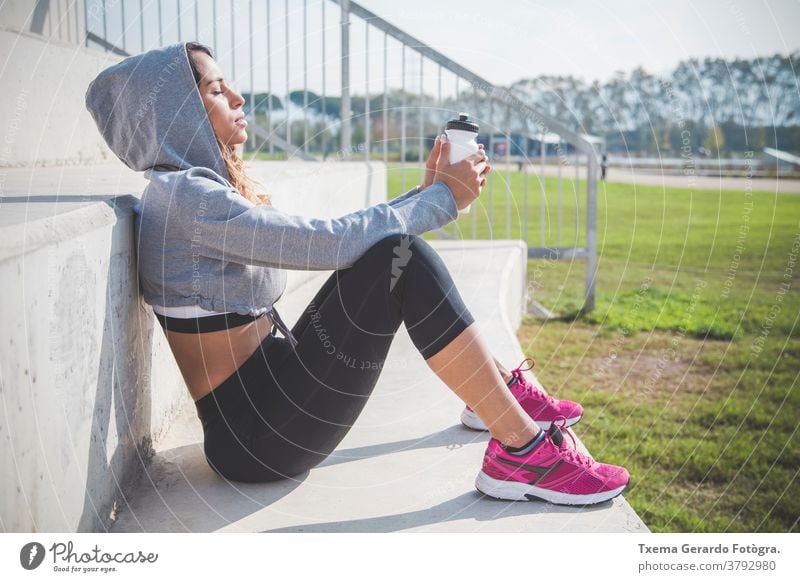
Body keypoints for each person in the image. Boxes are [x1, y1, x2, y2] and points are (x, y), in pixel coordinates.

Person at [85, 41, 629, 506]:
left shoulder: (191, 193)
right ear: (177, 111)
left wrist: (427, 194)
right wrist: (441, 200)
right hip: (260, 438)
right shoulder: (189, 200)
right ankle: (523, 451)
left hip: (273, 400)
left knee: (392, 254)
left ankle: (497, 397)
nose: (239, 98)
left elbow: (345, 242)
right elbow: (329, 243)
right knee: (401, 259)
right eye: (216, 89)